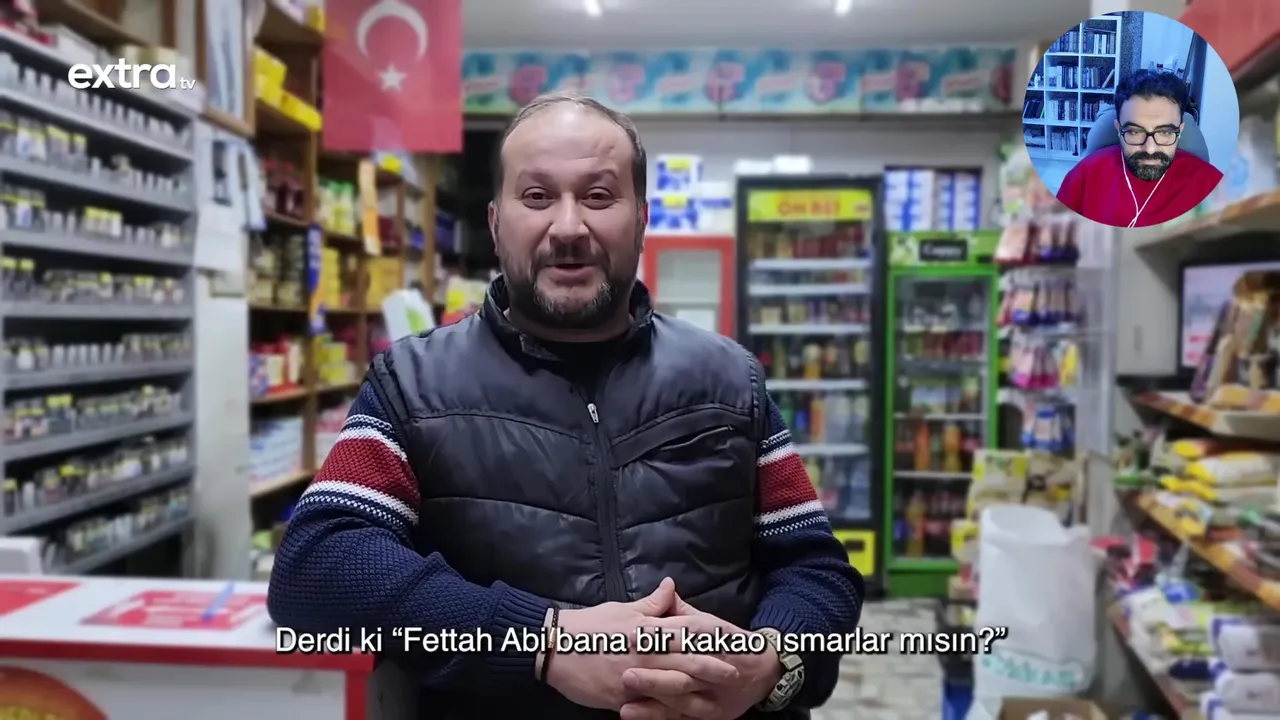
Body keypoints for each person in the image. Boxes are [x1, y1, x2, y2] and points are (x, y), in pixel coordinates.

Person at [266, 91, 863, 720]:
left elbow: (815, 567)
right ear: (496, 223)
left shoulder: (729, 379)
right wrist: (539, 642)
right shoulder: (413, 385)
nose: (570, 227)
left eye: (599, 196)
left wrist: (774, 664)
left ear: (641, 218)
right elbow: (317, 566)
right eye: (536, 196)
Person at [1055, 69, 1223, 228]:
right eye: (1135, 132)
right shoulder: (1085, 175)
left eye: (1165, 132)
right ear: (1118, 129)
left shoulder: (1210, 184)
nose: (1150, 149)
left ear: (1180, 131)